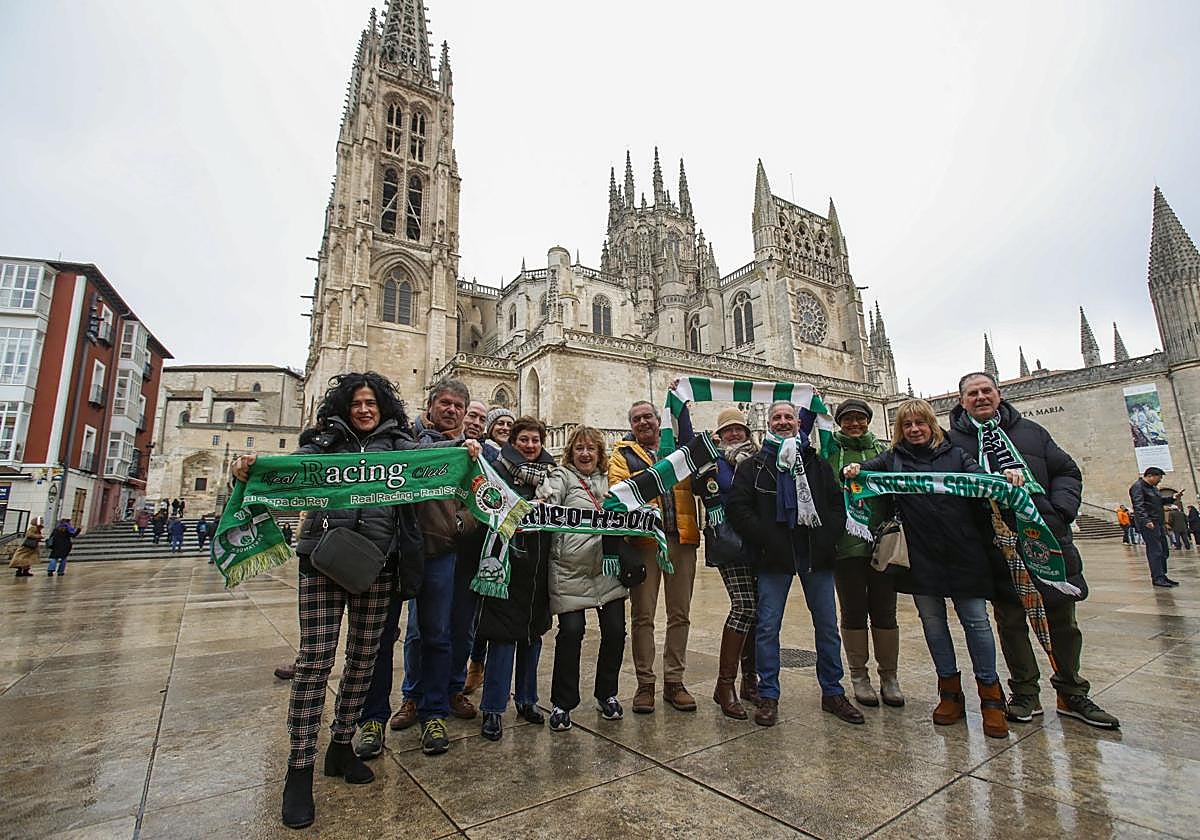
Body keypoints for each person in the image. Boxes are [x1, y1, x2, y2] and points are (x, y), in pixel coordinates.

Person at [231, 371, 479, 831]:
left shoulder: (399, 446)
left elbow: (435, 456)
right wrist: (250, 468)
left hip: (379, 565)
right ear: (344, 408)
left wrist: (464, 453)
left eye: (372, 403)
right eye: (356, 403)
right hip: (322, 561)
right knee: (317, 661)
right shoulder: (324, 445)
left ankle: (340, 747)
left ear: (384, 408)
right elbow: (287, 468)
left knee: (363, 660)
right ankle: (298, 769)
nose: (364, 410)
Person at [950, 372, 1119, 729]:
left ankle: (1072, 692)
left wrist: (1059, 512)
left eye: (986, 391)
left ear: (998, 394)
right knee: (1010, 621)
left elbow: (1067, 471)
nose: (980, 397)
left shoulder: (1031, 432)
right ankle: (1025, 692)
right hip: (995, 545)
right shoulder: (953, 443)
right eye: (972, 393)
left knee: (1062, 620)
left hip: (1045, 538)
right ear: (961, 400)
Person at [844, 398, 1012, 739]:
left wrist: (1006, 477)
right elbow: (868, 469)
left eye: (919, 423)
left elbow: (983, 481)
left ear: (931, 425)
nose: (914, 430)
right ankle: (949, 693)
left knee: (977, 623)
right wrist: (854, 470)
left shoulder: (957, 455)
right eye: (907, 425)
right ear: (899, 430)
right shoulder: (894, 458)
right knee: (933, 626)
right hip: (920, 554)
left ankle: (991, 697)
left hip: (964, 551)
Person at [355, 379, 478, 761]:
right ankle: (383, 713)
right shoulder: (401, 435)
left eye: (459, 405)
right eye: (445, 403)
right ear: (430, 404)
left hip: (440, 548)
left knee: (436, 635)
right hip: (392, 550)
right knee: (383, 636)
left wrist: (461, 524)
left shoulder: (468, 451)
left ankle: (433, 711)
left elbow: (481, 499)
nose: (452, 410)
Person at [727, 399, 862, 727]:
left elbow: (835, 504)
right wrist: (768, 540)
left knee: (828, 627)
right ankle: (768, 694)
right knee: (768, 626)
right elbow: (739, 509)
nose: (784, 422)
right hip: (775, 556)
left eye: (789, 417)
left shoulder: (816, 463)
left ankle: (832, 691)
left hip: (816, 554)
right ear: (767, 423)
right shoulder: (754, 466)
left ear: (799, 424)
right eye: (777, 417)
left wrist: (827, 536)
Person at [609, 400, 701, 714]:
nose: (643, 422)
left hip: (682, 537)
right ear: (631, 425)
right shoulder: (622, 455)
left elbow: (701, 477)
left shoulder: (679, 452)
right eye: (637, 419)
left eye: (648, 416)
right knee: (643, 616)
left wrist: (683, 408)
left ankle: (674, 681)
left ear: (658, 419)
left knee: (680, 614)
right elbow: (619, 490)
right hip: (645, 543)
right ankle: (645, 683)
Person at [538, 425, 628, 731]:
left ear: (600, 453)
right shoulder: (563, 477)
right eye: (579, 448)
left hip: (607, 568)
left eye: (591, 448)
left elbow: (629, 504)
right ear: (570, 452)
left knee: (615, 632)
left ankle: (607, 694)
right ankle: (563, 703)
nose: (585, 454)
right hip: (570, 569)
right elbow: (549, 498)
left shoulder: (610, 481)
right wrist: (544, 498)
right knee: (571, 633)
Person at [477, 415, 554, 741]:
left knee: (533, 635)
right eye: (524, 439)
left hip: (538, 566)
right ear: (513, 442)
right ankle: (493, 708)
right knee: (503, 636)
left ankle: (527, 700)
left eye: (536, 440)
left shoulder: (551, 476)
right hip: (506, 566)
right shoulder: (497, 471)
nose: (530, 445)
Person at [825, 398, 904, 708]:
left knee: (885, 611)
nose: (854, 424)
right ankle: (859, 676)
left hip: (881, 544)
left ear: (869, 421)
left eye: (860, 418)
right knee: (853, 611)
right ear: (839, 422)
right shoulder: (829, 451)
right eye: (848, 419)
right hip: (845, 547)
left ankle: (890, 677)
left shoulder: (883, 452)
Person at [693, 407, 762, 719]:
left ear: (748, 432)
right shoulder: (712, 461)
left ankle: (750, 681)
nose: (735, 434)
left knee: (758, 610)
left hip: (758, 541)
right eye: (728, 430)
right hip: (729, 541)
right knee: (744, 606)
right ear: (718, 435)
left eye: (740, 429)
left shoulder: (760, 458)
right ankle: (725, 685)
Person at [1130, 467, 1177, 587]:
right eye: (1159, 478)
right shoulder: (1138, 487)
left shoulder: (1153, 488)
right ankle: (1157, 578)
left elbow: (1158, 501)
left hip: (1158, 522)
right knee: (1155, 551)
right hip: (1150, 524)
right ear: (1150, 476)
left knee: (1164, 550)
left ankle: (1162, 575)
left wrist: (1173, 499)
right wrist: (1146, 520)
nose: (1159, 481)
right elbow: (1138, 505)